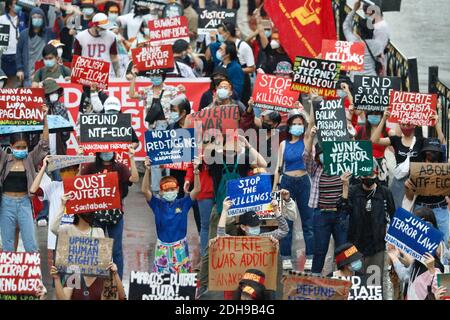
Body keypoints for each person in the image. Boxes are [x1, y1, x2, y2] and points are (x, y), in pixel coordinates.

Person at [50, 193, 126, 300]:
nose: (89, 213)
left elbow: (104, 257)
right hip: (75, 275)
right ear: (77, 212)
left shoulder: (98, 231)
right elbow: (53, 228)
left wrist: (113, 271)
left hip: (95, 277)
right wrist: (63, 206)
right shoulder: (68, 229)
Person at [80, 147, 139, 279]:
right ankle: (97, 281)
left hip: (115, 214)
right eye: (104, 151)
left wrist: (131, 158)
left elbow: (134, 179)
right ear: (98, 152)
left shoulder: (120, 167)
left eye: (109, 151)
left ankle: (118, 281)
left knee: (116, 249)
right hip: (95, 214)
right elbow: (78, 182)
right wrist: (79, 160)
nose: (107, 153)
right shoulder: (91, 167)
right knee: (97, 249)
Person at [0, 105, 49, 252]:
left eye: (24, 147)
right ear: (11, 146)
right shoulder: (4, 158)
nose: (21, 150)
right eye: (18, 147)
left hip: (25, 204)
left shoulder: (29, 159)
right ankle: (8, 274)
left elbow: (44, 145)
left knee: (31, 244)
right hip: (6, 204)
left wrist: (44, 118)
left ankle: (32, 275)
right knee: (7, 245)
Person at [372, 109, 442, 209]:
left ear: (414, 125)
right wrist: (383, 119)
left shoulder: (421, 141)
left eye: (408, 124)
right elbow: (374, 140)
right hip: (399, 183)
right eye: (402, 124)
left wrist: (437, 124)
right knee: (398, 210)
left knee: (415, 212)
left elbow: (440, 143)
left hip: (417, 181)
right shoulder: (395, 140)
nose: (405, 127)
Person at [141, 156, 201, 273]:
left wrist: (196, 171)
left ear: (178, 189)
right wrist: (147, 170)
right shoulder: (157, 204)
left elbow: (197, 190)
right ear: (161, 192)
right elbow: (145, 190)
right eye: (167, 190)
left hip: (180, 248)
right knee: (161, 282)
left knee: (181, 281)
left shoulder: (183, 203)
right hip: (162, 249)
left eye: (172, 189)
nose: (170, 192)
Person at [339, 163, 396, 283]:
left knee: (374, 284)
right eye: (365, 175)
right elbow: (343, 210)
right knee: (356, 282)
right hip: (355, 247)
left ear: (376, 174)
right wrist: (345, 186)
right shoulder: (353, 191)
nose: (368, 178)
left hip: (377, 246)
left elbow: (393, 216)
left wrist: (393, 242)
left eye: (370, 175)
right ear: (360, 176)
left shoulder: (385, 192)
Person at [273, 109, 314, 271]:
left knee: (308, 222)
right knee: (286, 222)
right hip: (286, 184)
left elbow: (311, 122)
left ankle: (310, 256)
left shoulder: (306, 139)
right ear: (289, 126)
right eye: (294, 124)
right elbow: (277, 168)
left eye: (300, 124)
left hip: (304, 182)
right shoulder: (283, 144)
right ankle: (285, 257)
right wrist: (274, 189)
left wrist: (310, 104)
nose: (297, 126)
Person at [387, 207, 445, 300]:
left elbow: (443, 294)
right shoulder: (418, 261)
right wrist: (395, 257)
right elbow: (406, 276)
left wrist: (432, 270)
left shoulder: (435, 267)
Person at [404, 138, 449, 246]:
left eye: (434, 152)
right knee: (419, 243)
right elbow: (410, 197)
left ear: (439, 153)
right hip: (420, 208)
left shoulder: (445, 169)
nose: (431, 154)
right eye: (429, 151)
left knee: (444, 243)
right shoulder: (417, 170)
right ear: (424, 152)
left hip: (440, 208)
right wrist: (407, 188)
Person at [216, 22, 255, 106]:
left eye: (221, 33)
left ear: (228, 33)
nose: (220, 35)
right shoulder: (220, 64)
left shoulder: (243, 46)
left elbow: (252, 68)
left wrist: (236, 71)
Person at [343, 0, 386, 76]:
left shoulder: (353, 41)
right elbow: (382, 63)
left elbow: (346, 26)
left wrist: (354, 9)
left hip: (355, 78)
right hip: (371, 79)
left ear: (359, 31)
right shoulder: (377, 45)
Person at [16, 7, 55, 87]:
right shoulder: (24, 34)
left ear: (43, 19)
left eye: (39, 17)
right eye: (34, 17)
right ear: (30, 18)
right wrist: (19, 69)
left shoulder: (48, 32)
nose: (37, 19)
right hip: (28, 76)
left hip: (45, 76)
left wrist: (58, 12)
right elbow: (19, 53)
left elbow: (59, 28)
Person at [73, 13, 121, 78]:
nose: (104, 30)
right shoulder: (80, 37)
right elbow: (76, 59)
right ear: (94, 26)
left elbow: (114, 57)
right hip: (87, 73)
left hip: (105, 74)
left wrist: (118, 76)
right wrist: (74, 75)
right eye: (102, 28)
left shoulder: (111, 36)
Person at [0, 0, 24, 88]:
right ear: (10, 6)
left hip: (18, 55)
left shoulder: (22, 18)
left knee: (17, 82)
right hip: (5, 54)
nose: (19, 6)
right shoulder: (2, 19)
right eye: (16, 4)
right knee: (6, 83)